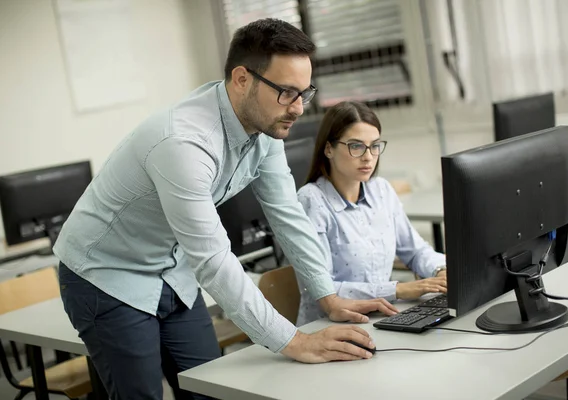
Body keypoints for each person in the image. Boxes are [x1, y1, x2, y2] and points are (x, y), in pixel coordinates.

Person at [54, 19, 398, 400]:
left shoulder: (266, 124)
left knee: (213, 389)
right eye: (287, 92)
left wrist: (327, 297)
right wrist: (296, 341)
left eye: (305, 92)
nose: (299, 108)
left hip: (173, 272)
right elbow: (215, 261)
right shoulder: (183, 143)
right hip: (107, 275)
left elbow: (286, 213)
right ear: (241, 79)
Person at [296, 101, 447, 326]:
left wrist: (440, 270)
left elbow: (415, 252)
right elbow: (325, 290)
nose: (368, 156)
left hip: (379, 319)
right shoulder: (311, 200)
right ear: (329, 149)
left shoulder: (381, 190)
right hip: (327, 327)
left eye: (374, 146)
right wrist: (399, 289)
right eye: (356, 146)